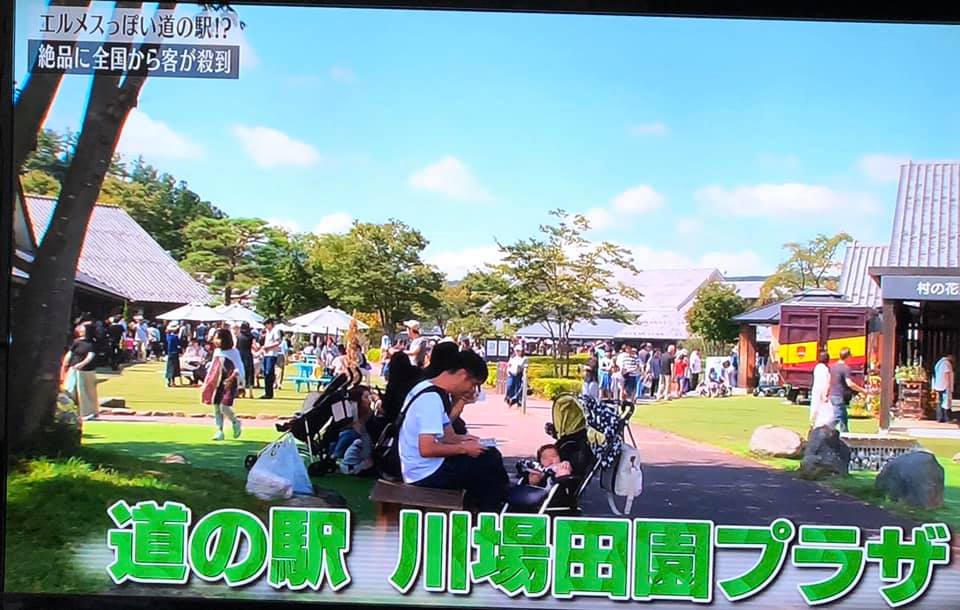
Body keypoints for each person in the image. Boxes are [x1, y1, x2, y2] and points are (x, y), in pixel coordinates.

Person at [398, 349, 508, 512]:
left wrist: (466, 440)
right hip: (425, 473)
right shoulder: (431, 399)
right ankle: (491, 512)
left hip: (420, 468)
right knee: (488, 463)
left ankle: (489, 507)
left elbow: (448, 435)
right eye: (473, 384)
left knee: (488, 454)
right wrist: (464, 448)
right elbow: (426, 449)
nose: (472, 390)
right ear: (463, 375)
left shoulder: (426, 388)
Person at [201, 328, 245, 441]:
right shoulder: (217, 351)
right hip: (218, 381)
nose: (215, 341)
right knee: (216, 406)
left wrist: (237, 379)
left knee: (224, 406)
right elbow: (213, 367)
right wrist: (207, 381)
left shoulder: (234, 352)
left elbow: (239, 367)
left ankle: (235, 422)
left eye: (218, 338)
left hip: (230, 381)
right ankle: (219, 431)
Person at [61, 323, 99, 420]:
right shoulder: (77, 342)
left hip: (86, 371)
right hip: (73, 369)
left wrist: (82, 364)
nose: (81, 330)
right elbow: (70, 353)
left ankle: (88, 412)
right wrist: (65, 363)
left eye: (83, 329)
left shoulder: (92, 343)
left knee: (85, 392)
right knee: (69, 389)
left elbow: (90, 356)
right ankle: (70, 410)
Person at [828, 348, 866, 433]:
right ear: (848, 356)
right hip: (839, 396)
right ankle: (824, 431)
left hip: (832, 394)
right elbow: (849, 383)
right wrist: (862, 390)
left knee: (843, 418)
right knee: (838, 418)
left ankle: (845, 435)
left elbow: (829, 381)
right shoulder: (845, 368)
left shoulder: (833, 367)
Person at [259, 318, 282, 400]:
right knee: (266, 374)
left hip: (272, 354)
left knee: (269, 372)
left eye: (266, 324)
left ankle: (270, 393)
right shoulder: (267, 332)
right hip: (266, 354)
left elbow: (278, 342)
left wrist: (268, 347)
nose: (265, 326)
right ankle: (267, 392)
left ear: (270, 324)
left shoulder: (275, 330)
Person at [810, 351, 834, 430]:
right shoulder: (825, 369)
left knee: (815, 409)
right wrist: (825, 394)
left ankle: (813, 425)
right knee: (824, 411)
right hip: (822, 391)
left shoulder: (817, 367)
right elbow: (826, 382)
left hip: (816, 390)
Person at [932, 354, 955, 423]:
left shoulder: (939, 363)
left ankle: (939, 418)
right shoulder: (946, 363)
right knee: (946, 402)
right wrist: (949, 386)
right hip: (945, 385)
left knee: (939, 402)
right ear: (949, 356)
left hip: (938, 385)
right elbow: (947, 374)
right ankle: (947, 418)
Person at [236, 322, 256, 394]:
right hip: (248, 355)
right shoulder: (251, 336)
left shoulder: (238, 336)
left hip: (240, 355)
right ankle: (250, 392)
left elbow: (236, 346)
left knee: (240, 373)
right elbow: (255, 346)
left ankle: (239, 391)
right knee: (249, 373)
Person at [165, 323, 182, 387]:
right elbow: (178, 345)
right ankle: (172, 382)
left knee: (169, 368)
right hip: (174, 353)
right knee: (173, 369)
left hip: (170, 353)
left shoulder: (168, 336)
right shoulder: (175, 337)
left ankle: (169, 382)